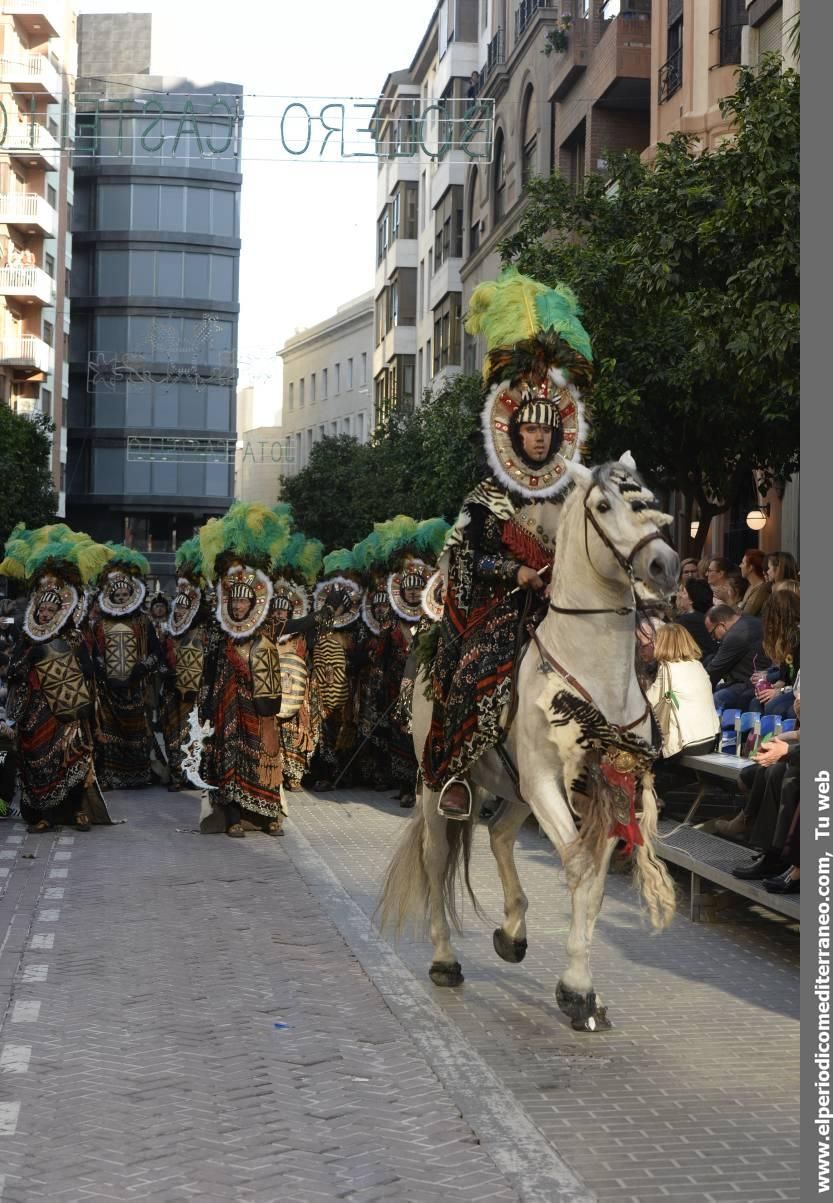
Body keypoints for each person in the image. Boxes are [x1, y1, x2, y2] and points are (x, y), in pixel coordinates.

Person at [422, 266, 593, 818]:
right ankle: (454, 774)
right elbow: (467, 554)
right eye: (530, 429)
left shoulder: (578, 491)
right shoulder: (487, 492)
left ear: (558, 433)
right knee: (471, 668)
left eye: (547, 430)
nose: (539, 436)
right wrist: (513, 572)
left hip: (565, 606)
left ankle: (619, 770)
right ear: (514, 432)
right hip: (502, 607)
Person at [0, 526, 113, 833]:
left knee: (73, 757)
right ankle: (45, 815)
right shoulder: (26, 638)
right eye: (42, 608)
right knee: (36, 759)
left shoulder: (75, 636)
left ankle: (77, 811)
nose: (47, 613)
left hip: (69, 712)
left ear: (62, 609)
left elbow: (91, 672)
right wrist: (27, 662)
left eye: (52, 609)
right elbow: (13, 672)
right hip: (36, 711)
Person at [91, 546, 161, 790]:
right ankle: (111, 776)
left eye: (124, 595)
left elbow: (156, 652)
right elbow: (94, 653)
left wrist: (143, 667)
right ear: (109, 596)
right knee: (110, 731)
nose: (121, 599)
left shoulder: (143, 621)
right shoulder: (100, 623)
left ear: (133, 594)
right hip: (109, 690)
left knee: (136, 732)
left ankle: (137, 776)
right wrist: (101, 669)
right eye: (117, 596)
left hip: (135, 689)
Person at [647, 624, 719, 763]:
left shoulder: (667, 668)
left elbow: (649, 703)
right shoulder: (697, 665)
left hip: (688, 744)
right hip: (709, 739)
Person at [703, 603, 769, 712]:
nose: (713, 638)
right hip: (753, 678)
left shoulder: (735, 635)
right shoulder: (749, 620)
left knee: (717, 698)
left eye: (712, 633)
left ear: (721, 625)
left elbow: (714, 671)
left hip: (752, 682)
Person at [754, 588, 799, 718]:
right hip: (792, 689)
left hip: (798, 693)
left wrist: (780, 691)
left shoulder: (798, 638)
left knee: (776, 708)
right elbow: (787, 677)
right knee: (758, 701)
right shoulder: (787, 639)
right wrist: (771, 687)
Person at [674, 577, 717, 657]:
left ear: (691, 599)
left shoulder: (687, 621)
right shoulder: (705, 617)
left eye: (683, 592)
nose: (678, 595)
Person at [737, 548, 770, 616]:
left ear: (750, 567)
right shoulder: (751, 585)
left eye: (743, 563)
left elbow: (746, 615)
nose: (740, 566)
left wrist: (729, 600)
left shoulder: (761, 589)